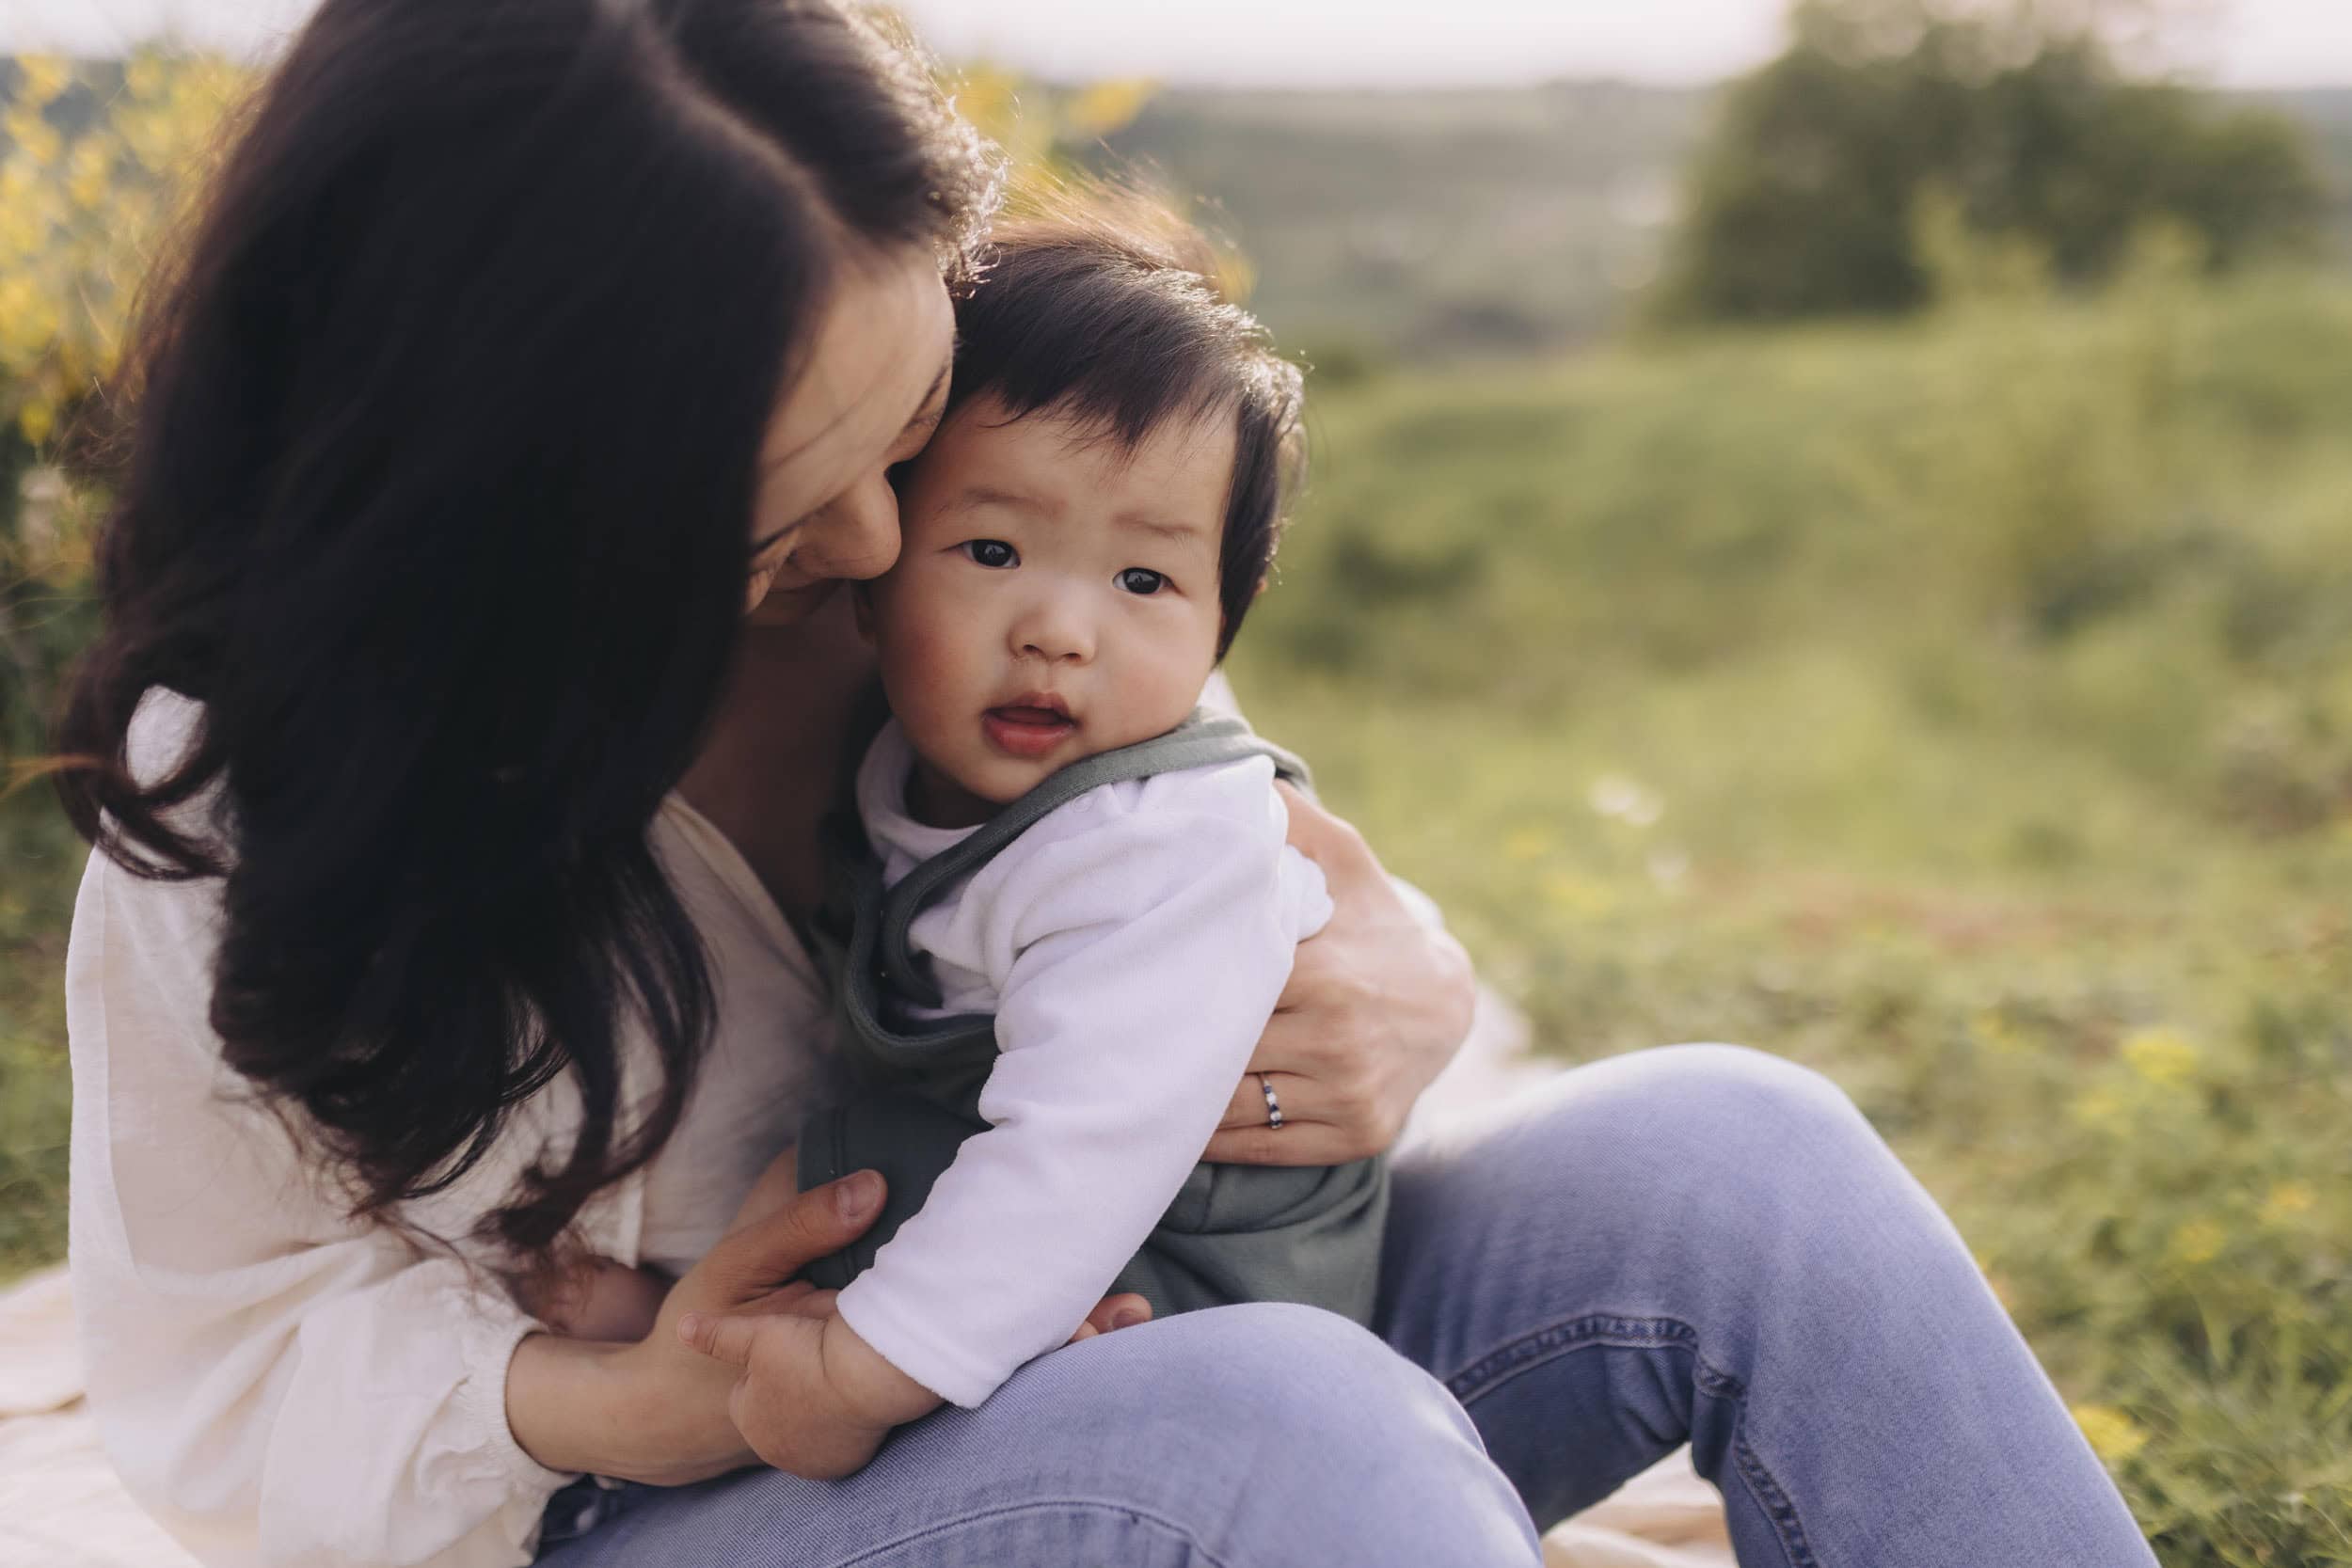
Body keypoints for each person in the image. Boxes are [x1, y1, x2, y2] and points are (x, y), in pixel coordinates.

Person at [56, 1, 2161, 1565]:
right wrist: (613, 1400)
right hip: (700, 1499)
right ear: (534, 488)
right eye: (792, 501)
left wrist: (1395, 982)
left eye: (907, 446)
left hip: (1136, 1309)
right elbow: (209, 1368)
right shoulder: (253, 794)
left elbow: (1215, 860)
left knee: (1738, 1154)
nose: (885, 554)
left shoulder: (952, 574)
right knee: (1284, 1420)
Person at [678, 202, 1391, 1473]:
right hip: (1082, 1237)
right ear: (876, 565)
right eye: (994, 550)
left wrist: (859, 1372)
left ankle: (717, 1345)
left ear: (1228, 615)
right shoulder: (919, 768)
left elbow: (1079, 1153)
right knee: (840, 1170)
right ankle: (707, 1341)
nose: (1062, 630)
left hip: (1206, 1272)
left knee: (828, 1172)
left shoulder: (1158, 838)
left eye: (1144, 582)